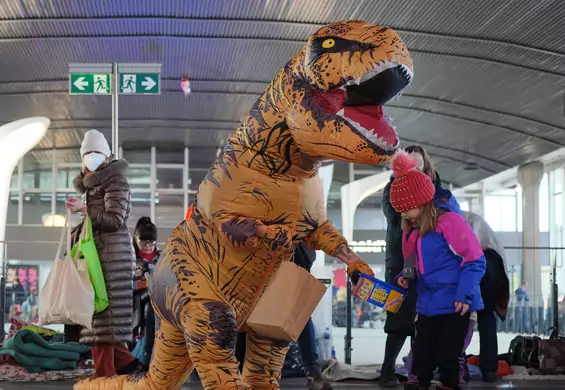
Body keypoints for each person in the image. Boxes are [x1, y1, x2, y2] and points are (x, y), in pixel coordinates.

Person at [389, 150, 486, 390]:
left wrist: (464, 294)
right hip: (427, 306)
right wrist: (405, 276)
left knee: (447, 359)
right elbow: (415, 263)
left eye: (406, 208)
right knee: (419, 360)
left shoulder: (449, 222)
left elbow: (475, 260)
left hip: (455, 305)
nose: (402, 214)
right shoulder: (411, 228)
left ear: (422, 202)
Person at [380, 144, 458, 387]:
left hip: (433, 264)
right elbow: (394, 217)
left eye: (418, 163)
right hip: (401, 262)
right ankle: (387, 369)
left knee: (428, 319)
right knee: (398, 317)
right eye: (409, 163)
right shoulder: (392, 189)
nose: (414, 167)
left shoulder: (439, 192)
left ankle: (419, 370)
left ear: (426, 165)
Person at [66, 129, 139, 378]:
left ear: (107, 156)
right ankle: (127, 364)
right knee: (102, 321)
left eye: (97, 153)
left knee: (102, 321)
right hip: (100, 258)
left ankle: (105, 377)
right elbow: (94, 226)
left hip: (112, 259)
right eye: (87, 154)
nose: (92, 158)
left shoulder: (116, 181)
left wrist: (86, 209)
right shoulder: (92, 187)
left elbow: (114, 220)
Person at [235, 243, 333, 390]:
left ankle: (238, 372)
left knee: (299, 318)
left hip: (279, 268)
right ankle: (313, 371)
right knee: (300, 317)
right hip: (279, 268)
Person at [462, 211, 510, 383]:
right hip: (491, 264)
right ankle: (489, 368)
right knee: (486, 317)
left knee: (460, 316)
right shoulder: (472, 218)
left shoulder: (447, 218)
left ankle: (459, 367)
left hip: (476, 263)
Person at [132, 216, 161, 367]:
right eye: (144, 242)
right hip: (137, 299)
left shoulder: (162, 257)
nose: (148, 246)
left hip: (161, 299)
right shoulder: (130, 259)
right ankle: (147, 354)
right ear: (136, 240)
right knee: (150, 307)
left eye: (152, 242)